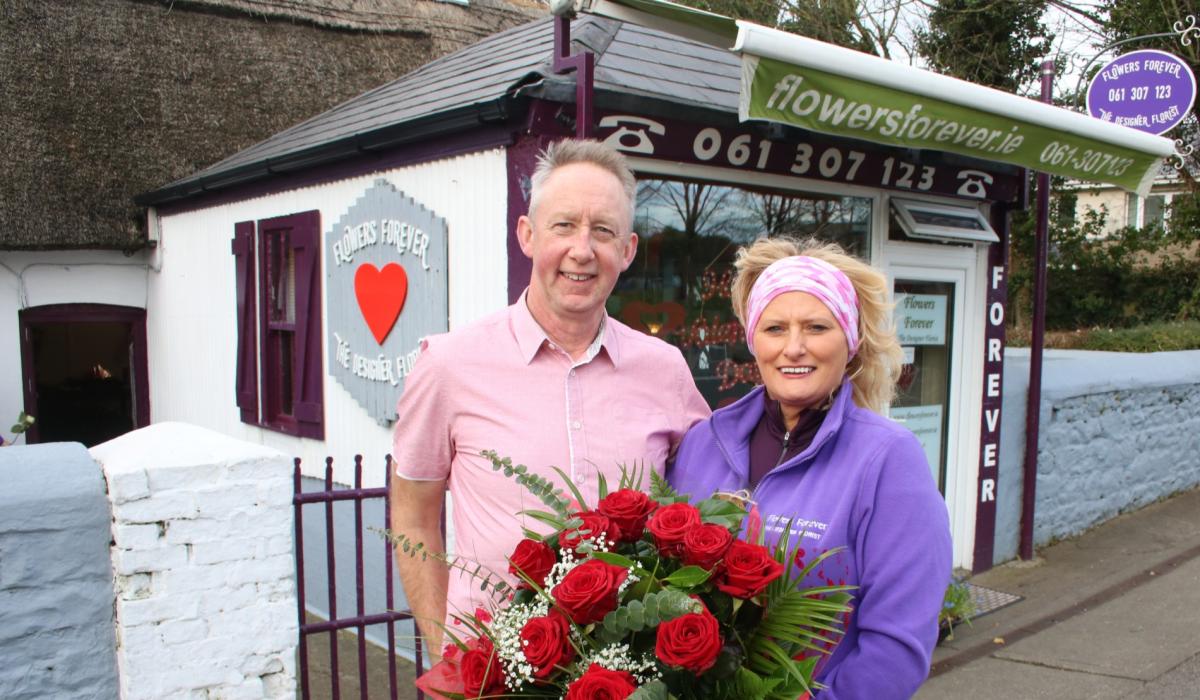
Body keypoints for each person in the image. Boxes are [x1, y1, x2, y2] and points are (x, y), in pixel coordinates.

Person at [389, 139, 710, 659]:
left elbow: (702, 509)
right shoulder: (449, 365)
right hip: (493, 678)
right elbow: (414, 516)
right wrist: (444, 652)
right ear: (528, 235)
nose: (582, 250)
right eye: (564, 225)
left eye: (602, 231)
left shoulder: (665, 371)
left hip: (631, 679)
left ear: (626, 251)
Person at [669, 236, 952, 698]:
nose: (794, 348)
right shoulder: (704, 443)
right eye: (775, 328)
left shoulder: (888, 461)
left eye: (817, 328)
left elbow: (896, 649)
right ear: (753, 340)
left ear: (850, 340)